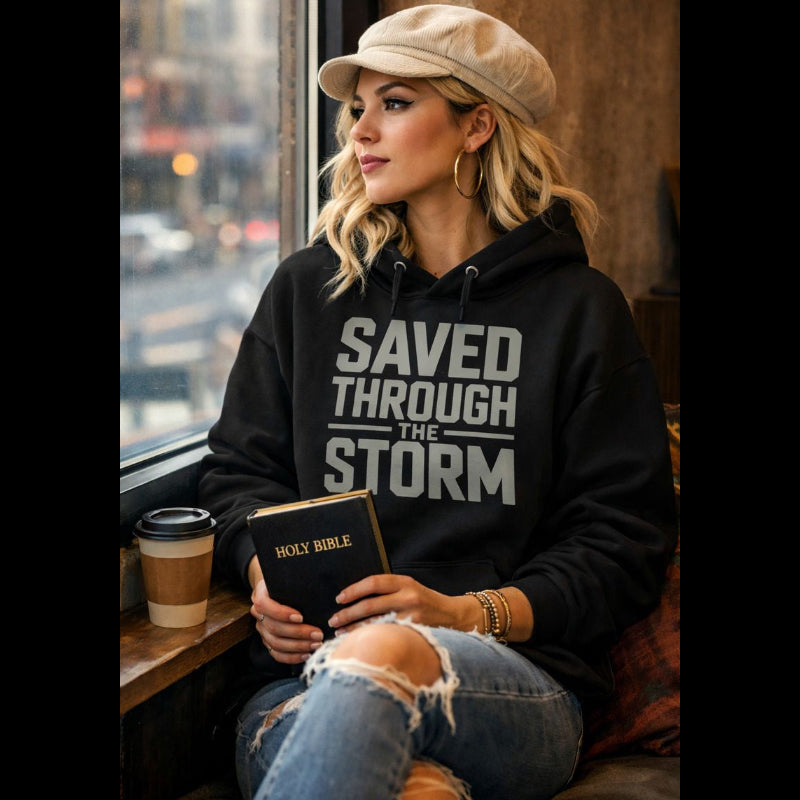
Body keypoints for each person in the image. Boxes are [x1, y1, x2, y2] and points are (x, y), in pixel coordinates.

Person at [197, 4, 678, 799]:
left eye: (394, 103)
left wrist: (464, 614)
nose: (360, 131)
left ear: (476, 126)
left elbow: (622, 541)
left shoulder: (579, 311)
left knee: (385, 651)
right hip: (298, 687)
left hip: (515, 686)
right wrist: (260, 574)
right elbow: (236, 475)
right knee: (413, 788)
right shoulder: (308, 292)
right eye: (359, 108)